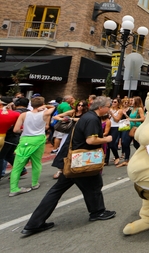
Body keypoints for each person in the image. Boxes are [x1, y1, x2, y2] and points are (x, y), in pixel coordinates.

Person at [20, 96, 116, 236]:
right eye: (108, 106)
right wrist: (107, 139)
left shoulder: (87, 117)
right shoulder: (92, 119)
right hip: (80, 161)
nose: (109, 109)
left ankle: (34, 223)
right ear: (100, 107)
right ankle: (97, 212)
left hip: (72, 160)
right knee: (93, 186)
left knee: (59, 190)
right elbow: (91, 140)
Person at [9, 97, 55, 197]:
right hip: (38, 140)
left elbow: (16, 129)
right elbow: (53, 108)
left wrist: (23, 131)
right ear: (42, 104)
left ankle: (14, 188)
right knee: (36, 162)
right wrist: (46, 106)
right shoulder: (44, 114)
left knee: (17, 166)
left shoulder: (23, 115)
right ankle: (34, 183)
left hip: (25, 140)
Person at [51, 100, 89, 179]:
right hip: (68, 133)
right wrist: (63, 119)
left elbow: (82, 120)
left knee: (77, 151)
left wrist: (71, 119)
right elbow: (56, 116)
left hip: (79, 134)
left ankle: (75, 168)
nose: (80, 107)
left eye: (82, 105)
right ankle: (60, 169)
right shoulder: (73, 112)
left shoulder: (86, 114)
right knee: (64, 149)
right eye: (79, 105)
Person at [117, 96, 145, 168]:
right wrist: (125, 114)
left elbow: (142, 118)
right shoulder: (132, 109)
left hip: (136, 128)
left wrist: (132, 120)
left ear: (137, 101)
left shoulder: (139, 109)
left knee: (136, 144)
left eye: (132, 101)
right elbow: (130, 118)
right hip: (129, 128)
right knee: (125, 143)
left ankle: (142, 157)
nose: (131, 102)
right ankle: (126, 160)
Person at [105, 98, 123, 166]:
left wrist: (112, 114)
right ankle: (106, 160)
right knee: (107, 144)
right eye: (112, 102)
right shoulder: (110, 109)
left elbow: (117, 120)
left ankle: (117, 157)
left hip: (115, 127)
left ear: (118, 103)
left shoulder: (120, 111)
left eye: (115, 102)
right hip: (108, 126)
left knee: (112, 144)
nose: (113, 103)